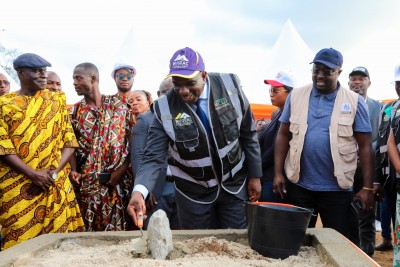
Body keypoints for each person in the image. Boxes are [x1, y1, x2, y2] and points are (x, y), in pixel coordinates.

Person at [127, 47, 262, 229]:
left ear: (204, 75)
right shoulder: (163, 108)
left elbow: (248, 132)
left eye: (190, 83)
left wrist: (255, 175)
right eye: (177, 83)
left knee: (236, 242)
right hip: (193, 193)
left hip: (234, 186)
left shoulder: (230, 87)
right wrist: (139, 191)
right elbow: (153, 157)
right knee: (196, 246)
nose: (183, 91)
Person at [273, 48, 374, 237]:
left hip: (337, 190)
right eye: (316, 70)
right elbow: (283, 135)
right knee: (294, 242)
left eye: (327, 72)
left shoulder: (354, 101)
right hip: (299, 185)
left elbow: (366, 145)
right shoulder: (296, 96)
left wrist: (367, 187)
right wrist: (278, 173)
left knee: (342, 244)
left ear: (339, 72)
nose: (320, 76)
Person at [0, 53, 84, 250]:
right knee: (19, 245)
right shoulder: (4, 105)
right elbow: (3, 148)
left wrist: (52, 174)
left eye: (44, 71)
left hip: (54, 183)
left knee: (61, 247)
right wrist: (33, 174)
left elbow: (69, 142)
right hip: (18, 187)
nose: (42, 76)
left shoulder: (55, 101)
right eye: (36, 71)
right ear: (21, 73)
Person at [69, 62, 133, 231]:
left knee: (118, 236)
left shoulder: (120, 106)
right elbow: (69, 144)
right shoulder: (74, 112)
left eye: (78, 78)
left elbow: (131, 141)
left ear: (93, 78)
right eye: (73, 78)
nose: (74, 82)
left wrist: (120, 170)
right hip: (86, 185)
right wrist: (74, 170)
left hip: (117, 183)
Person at [130, 77, 180, 229]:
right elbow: (138, 156)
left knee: (182, 233)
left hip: (183, 187)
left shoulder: (185, 116)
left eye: (174, 92)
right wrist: (145, 187)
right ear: (158, 94)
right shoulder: (145, 119)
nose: (171, 96)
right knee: (155, 232)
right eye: (166, 92)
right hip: (158, 187)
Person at [347, 66, 382, 256]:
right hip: (344, 169)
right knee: (345, 213)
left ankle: (367, 254)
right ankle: (349, 252)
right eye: (353, 79)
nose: (357, 82)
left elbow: (381, 137)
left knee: (367, 214)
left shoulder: (379, 107)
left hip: (368, 170)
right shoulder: (340, 103)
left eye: (361, 79)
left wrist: (365, 152)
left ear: (369, 82)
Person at [259, 71, 294, 202]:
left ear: (289, 93)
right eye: (270, 90)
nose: (271, 94)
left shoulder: (290, 115)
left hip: (276, 179)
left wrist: (256, 166)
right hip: (268, 175)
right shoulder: (278, 113)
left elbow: (275, 148)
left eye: (276, 91)